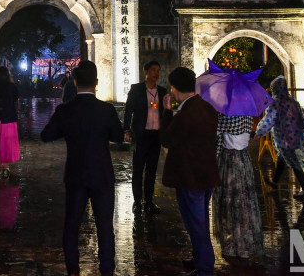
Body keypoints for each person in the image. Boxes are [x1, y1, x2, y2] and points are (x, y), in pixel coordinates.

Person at [41, 60, 124, 276]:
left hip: (76, 175)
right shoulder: (105, 110)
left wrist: (66, 128)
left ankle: (73, 271)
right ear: (96, 82)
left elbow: (46, 135)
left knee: (72, 226)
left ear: (75, 82)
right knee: (105, 227)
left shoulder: (66, 110)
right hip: (102, 175)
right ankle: (106, 270)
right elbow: (118, 136)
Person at [159, 67, 219, 276]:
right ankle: (200, 260)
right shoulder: (207, 107)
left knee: (196, 224)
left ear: (174, 89)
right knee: (200, 220)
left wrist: (166, 111)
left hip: (190, 176)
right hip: (206, 173)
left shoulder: (187, 113)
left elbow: (166, 138)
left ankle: (205, 268)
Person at [213, 113, 263, 260]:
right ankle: (246, 243)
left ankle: (232, 244)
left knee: (229, 202)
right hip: (244, 159)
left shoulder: (225, 117)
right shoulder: (248, 116)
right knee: (245, 201)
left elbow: (216, 137)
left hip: (228, 160)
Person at [255, 75, 304, 199]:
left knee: (293, 161)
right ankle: (274, 182)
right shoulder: (293, 102)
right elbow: (301, 119)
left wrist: (259, 132)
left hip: (284, 138)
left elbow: (269, 120)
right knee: (281, 158)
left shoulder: (275, 104)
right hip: (295, 137)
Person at [123, 60, 167, 214]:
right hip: (140, 135)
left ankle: (149, 201)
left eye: (158, 71)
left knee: (151, 170)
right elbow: (128, 110)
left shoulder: (162, 91)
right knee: (138, 169)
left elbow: (166, 112)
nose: (156, 73)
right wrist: (126, 129)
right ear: (145, 71)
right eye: (153, 70)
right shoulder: (136, 89)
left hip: (155, 135)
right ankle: (137, 202)